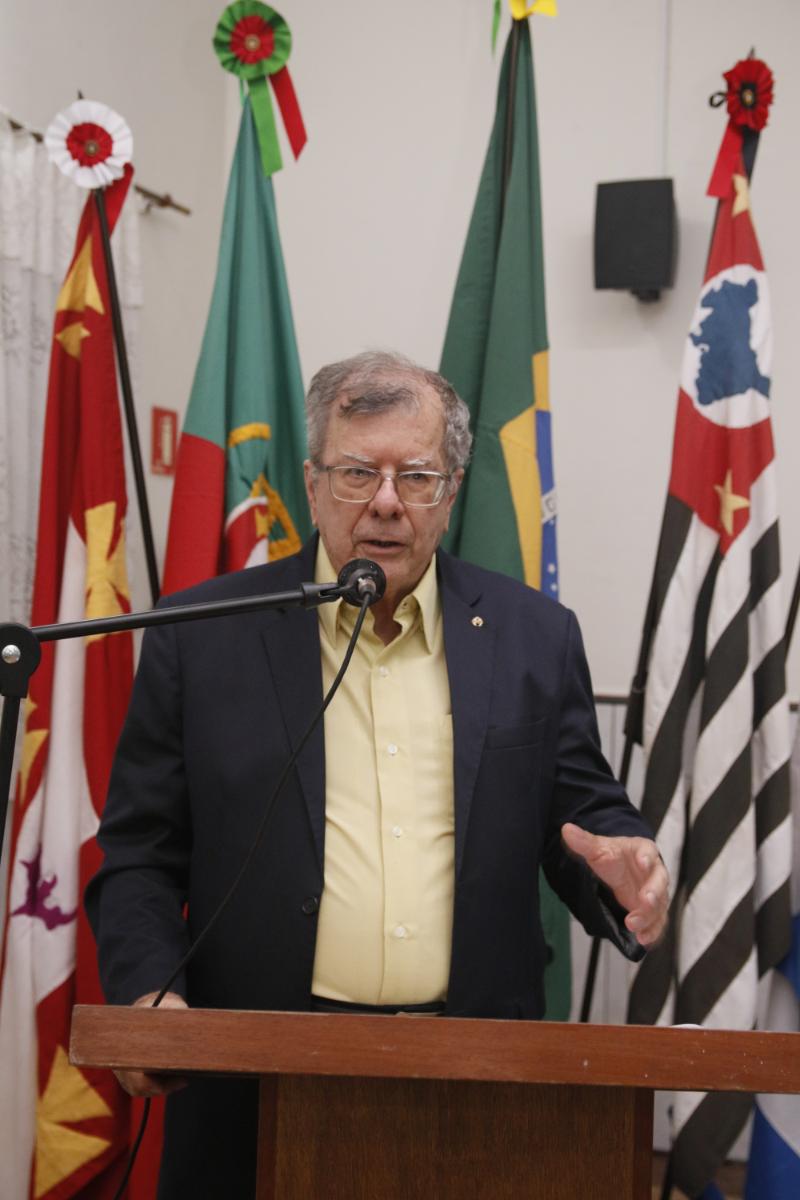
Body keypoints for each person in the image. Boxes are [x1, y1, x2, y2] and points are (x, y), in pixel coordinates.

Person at [86, 350, 668, 1197]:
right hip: (254, 1081)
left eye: (416, 477)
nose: (386, 502)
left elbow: (582, 812)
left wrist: (624, 863)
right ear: (313, 484)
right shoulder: (201, 634)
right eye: (358, 473)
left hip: (478, 1080)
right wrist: (147, 989)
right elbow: (140, 851)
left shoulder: (536, 637)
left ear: (452, 490)